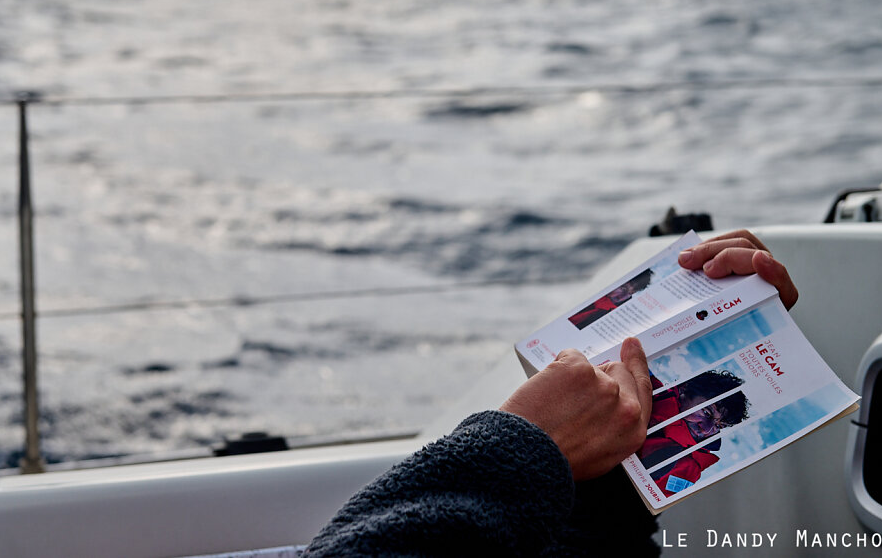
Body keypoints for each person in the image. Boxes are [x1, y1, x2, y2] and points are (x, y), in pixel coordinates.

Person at [304, 230, 799, 556]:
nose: (711, 422)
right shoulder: (663, 393)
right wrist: (530, 443)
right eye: (709, 409)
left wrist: (601, 469)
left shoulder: (697, 451)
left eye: (720, 422)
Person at [639, 370, 751, 494]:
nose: (706, 429)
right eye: (707, 413)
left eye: (719, 426)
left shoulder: (689, 469)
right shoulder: (645, 385)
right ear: (684, 389)